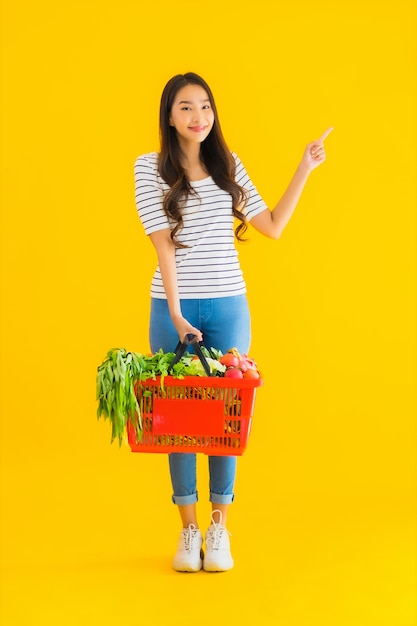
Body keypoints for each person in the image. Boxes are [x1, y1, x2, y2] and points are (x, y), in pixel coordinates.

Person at [134, 72, 332, 573]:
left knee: (226, 419)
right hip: (172, 308)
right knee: (177, 424)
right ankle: (188, 531)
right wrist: (177, 315)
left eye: (205, 106)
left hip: (229, 306)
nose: (198, 116)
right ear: (169, 115)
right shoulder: (148, 168)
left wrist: (303, 168)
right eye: (185, 107)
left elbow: (272, 227)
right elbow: (164, 247)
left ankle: (219, 529)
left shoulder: (229, 166)